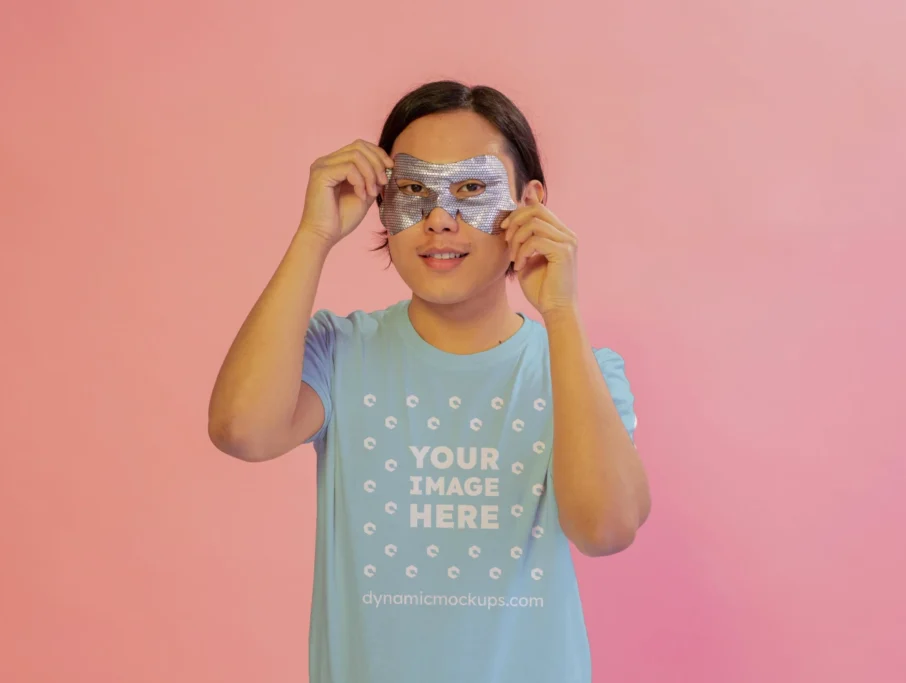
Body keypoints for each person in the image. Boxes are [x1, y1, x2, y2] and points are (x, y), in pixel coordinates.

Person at [207, 80, 651, 683]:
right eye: (413, 190)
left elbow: (606, 528)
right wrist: (313, 237)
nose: (440, 220)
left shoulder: (580, 370)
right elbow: (241, 431)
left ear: (530, 202)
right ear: (381, 202)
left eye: (472, 188)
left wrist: (562, 314)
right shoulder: (339, 353)